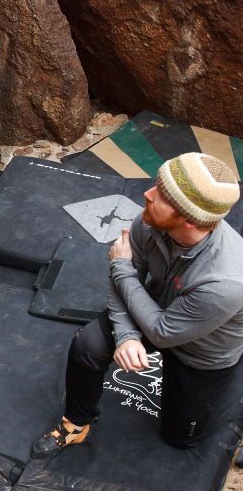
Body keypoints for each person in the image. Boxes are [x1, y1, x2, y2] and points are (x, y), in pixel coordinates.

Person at [32, 152, 243, 458]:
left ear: (189, 218)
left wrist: (120, 267)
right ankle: (77, 423)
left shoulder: (226, 281)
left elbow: (158, 327)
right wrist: (127, 336)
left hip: (203, 351)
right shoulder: (151, 222)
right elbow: (126, 282)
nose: (147, 194)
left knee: (180, 438)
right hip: (154, 313)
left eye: (162, 195)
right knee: (88, 344)